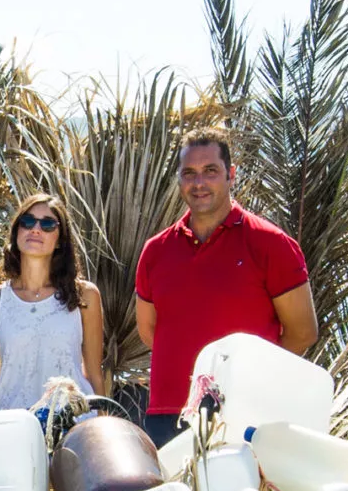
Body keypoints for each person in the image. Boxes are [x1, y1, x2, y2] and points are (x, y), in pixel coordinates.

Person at [132, 126, 317, 443]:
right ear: (179, 178)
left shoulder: (270, 244)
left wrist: (248, 380)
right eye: (189, 173)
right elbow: (150, 332)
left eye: (210, 171)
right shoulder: (156, 251)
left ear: (231, 175)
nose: (199, 183)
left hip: (242, 417)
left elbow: (303, 332)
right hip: (167, 417)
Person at [0, 193, 107, 418]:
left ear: (60, 240)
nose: (36, 229)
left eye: (47, 224)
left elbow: (94, 375)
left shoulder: (84, 296)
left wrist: (102, 433)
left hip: (73, 426)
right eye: (27, 221)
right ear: (17, 231)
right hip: (12, 428)